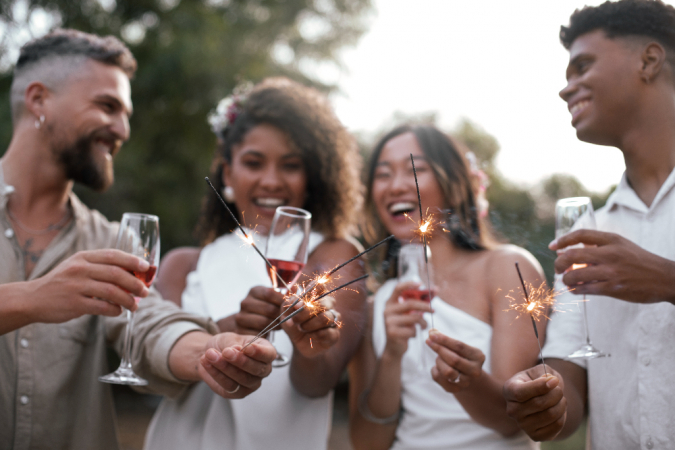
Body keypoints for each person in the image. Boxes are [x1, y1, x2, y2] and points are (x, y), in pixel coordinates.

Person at [0, 29, 276, 450]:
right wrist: (31, 298)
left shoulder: (111, 239)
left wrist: (209, 351)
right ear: (39, 100)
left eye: (125, 113)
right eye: (107, 106)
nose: (122, 129)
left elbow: (148, 325)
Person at [144, 77, 366, 450]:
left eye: (290, 165)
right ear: (227, 174)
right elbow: (149, 370)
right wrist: (231, 327)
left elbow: (317, 385)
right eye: (253, 162)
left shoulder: (334, 255)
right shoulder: (183, 265)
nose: (271, 180)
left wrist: (309, 343)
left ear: (311, 178)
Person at [503, 0, 675, 447]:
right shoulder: (589, 232)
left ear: (649, 60)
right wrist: (545, 399)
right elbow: (571, 382)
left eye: (582, 67)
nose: (567, 89)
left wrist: (667, 281)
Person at [348, 124, 545, 450]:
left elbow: (515, 421)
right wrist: (392, 356)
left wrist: (469, 382)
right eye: (383, 175)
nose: (396, 186)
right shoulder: (377, 303)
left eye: (415, 169)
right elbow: (367, 443)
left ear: (453, 183)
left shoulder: (508, 268)